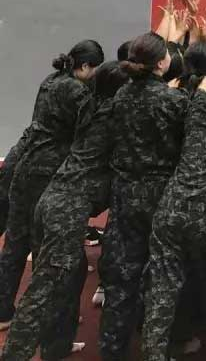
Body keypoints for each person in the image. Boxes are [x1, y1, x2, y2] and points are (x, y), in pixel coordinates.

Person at [1, 61, 128, 361]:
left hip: (52, 199)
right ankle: (14, 353)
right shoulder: (112, 119)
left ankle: (56, 345)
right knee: (44, 288)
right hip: (66, 208)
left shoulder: (88, 109)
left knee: (71, 275)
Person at [142, 66, 206, 361]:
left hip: (171, 208)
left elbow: (204, 85)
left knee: (162, 288)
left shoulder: (194, 109)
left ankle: (154, 353)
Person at [99, 32, 188, 361]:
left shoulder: (121, 96)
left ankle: (112, 350)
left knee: (121, 275)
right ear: (162, 63)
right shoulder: (174, 101)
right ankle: (157, 350)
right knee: (162, 275)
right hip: (160, 193)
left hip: (124, 191)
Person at [0, 41, 101, 331]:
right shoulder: (77, 91)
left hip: (26, 166)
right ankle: (49, 318)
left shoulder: (51, 81)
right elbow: (89, 130)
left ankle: (3, 310)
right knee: (46, 248)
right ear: (85, 66)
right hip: (48, 173)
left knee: (15, 244)